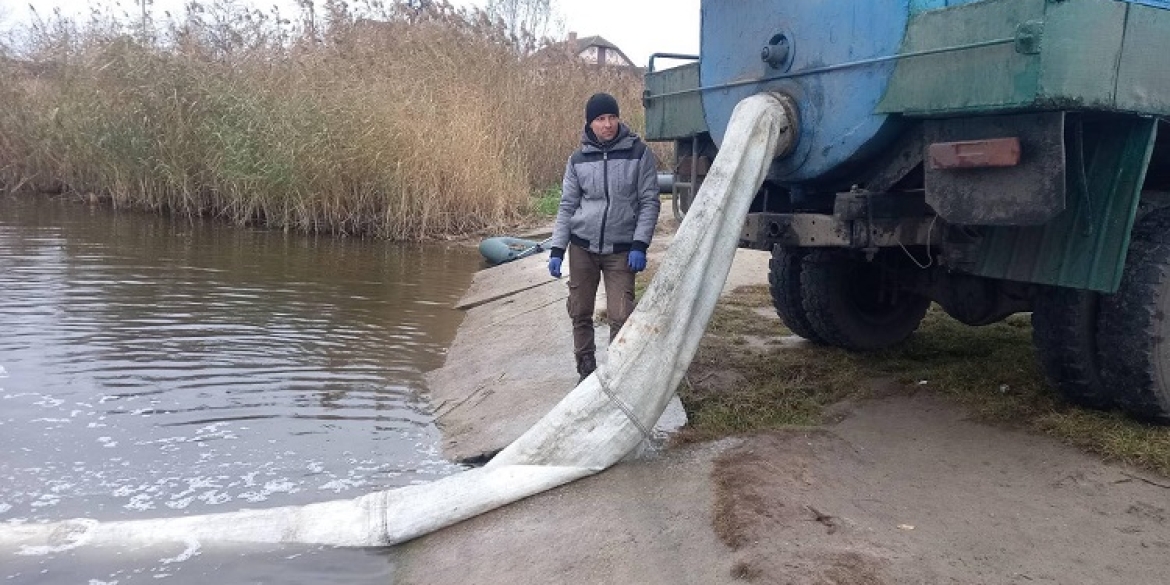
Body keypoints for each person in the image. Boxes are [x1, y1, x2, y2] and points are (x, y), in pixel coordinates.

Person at [547, 92, 661, 382]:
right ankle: (586, 372)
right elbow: (567, 205)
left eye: (612, 117)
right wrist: (558, 248)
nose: (607, 124)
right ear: (590, 123)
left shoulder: (639, 153)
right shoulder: (577, 160)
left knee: (621, 315)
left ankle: (616, 375)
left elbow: (650, 201)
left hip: (621, 250)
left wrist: (639, 244)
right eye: (600, 119)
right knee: (580, 311)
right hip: (582, 247)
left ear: (618, 119)